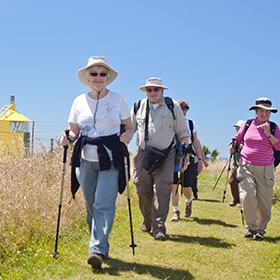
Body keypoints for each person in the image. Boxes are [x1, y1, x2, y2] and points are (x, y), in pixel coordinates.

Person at [60, 56, 133, 269]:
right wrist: (67, 137)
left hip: (110, 158)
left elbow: (128, 126)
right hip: (84, 160)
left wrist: (127, 136)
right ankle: (101, 244)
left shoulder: (118, 99)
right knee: (91, 206)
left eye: (102, 74)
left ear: (108, 77)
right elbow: (73, 129)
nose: (98, 77)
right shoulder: (78, 101)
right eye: (94, 74)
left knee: (103, 203)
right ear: (87, 77)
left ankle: (96, 250)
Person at [131, 77, 189, 241]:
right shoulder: (138, 106)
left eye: (156, 89)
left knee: (162, 190)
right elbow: (130, 129)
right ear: (146, 92)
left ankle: (159, 228)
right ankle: (147, 219)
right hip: (143, 153)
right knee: (142, 189)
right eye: (149, 90)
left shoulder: (173, 106)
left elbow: (183, 132)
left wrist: (184, 155)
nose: (153, 92)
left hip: (166, 154)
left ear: (162, 91)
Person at [230, 97, 280, 240]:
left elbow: (278, 145)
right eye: (261, 111)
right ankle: (251, 227)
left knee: (264, 201)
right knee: (247, 196)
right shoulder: (248, 124)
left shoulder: (274, 127)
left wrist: (268, 134)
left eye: (267, 112)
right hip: (246, 166)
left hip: (266, 168)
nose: (264, 114)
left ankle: (261, 229)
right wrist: (232, 145)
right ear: (256, 111)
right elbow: (238, 138)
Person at [170, 100, 206, 222]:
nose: (184, 111)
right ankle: (175, 211)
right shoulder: (171, 123)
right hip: (173, 153)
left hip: (188, 155)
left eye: (186, 109)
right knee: (173, 185)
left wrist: (200, 160)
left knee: (186, 186)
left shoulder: (191, 124)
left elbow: (196, 142)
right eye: (181, 108)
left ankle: (188, 200)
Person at [229, 120, 245, 207]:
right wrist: (230, 147)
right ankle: (236, 199)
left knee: (245, 185)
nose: (236, 129)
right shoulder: (236, 139)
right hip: (236, 164)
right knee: (232, 181)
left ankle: (244, 201)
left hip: (246, 165)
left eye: (238, 127)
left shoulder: (247, 138)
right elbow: (230, 145)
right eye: (236, 128)